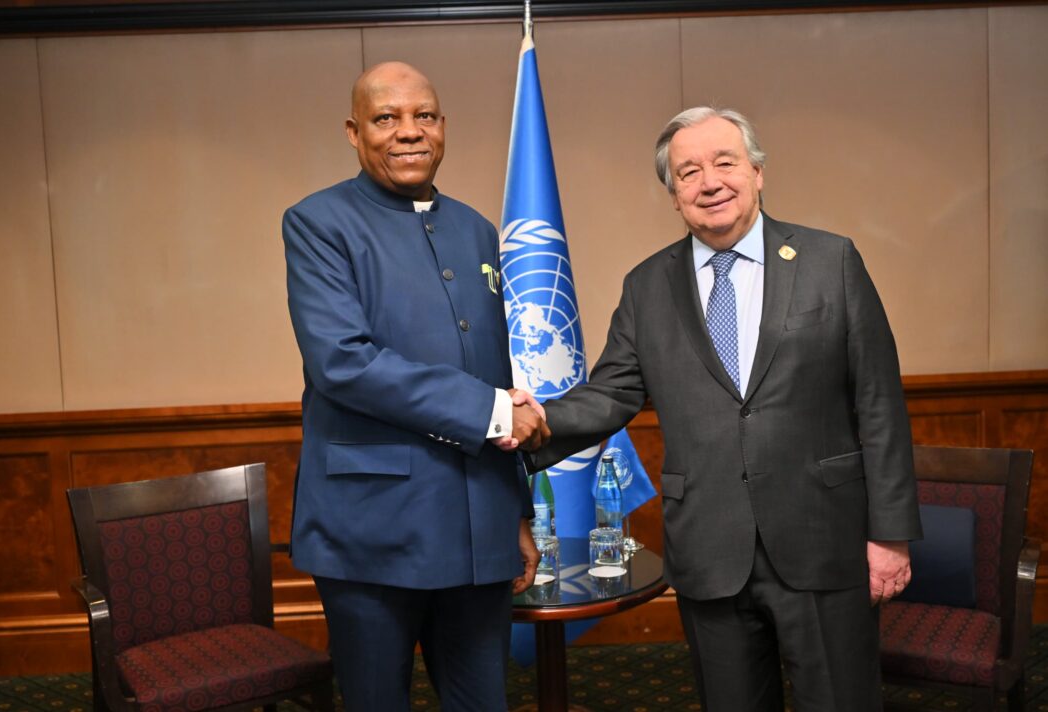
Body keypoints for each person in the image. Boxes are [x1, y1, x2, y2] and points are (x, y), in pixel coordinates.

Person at [527, 107, 922, 711]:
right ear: (674, 195)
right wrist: (532, 422)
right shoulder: (647, 286)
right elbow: (610, 393)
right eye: (688, 172)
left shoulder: (830, 261)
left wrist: (889, 536)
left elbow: (879, 404)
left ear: (758, 172)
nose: (709, 181)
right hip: (710, 550)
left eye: (725, 162)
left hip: (824, 541)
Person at [282, 61, 548, 711]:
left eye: (423, 116)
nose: (408, 132)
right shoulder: (318, 224)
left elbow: (499, 373)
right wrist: (489, 411)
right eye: (386, 118)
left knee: (483, 702)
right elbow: (342, 362)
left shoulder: (478, 230)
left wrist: (516, 511)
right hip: (372, 528)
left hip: (478, 523)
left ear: (442, 127)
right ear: (353, 131)